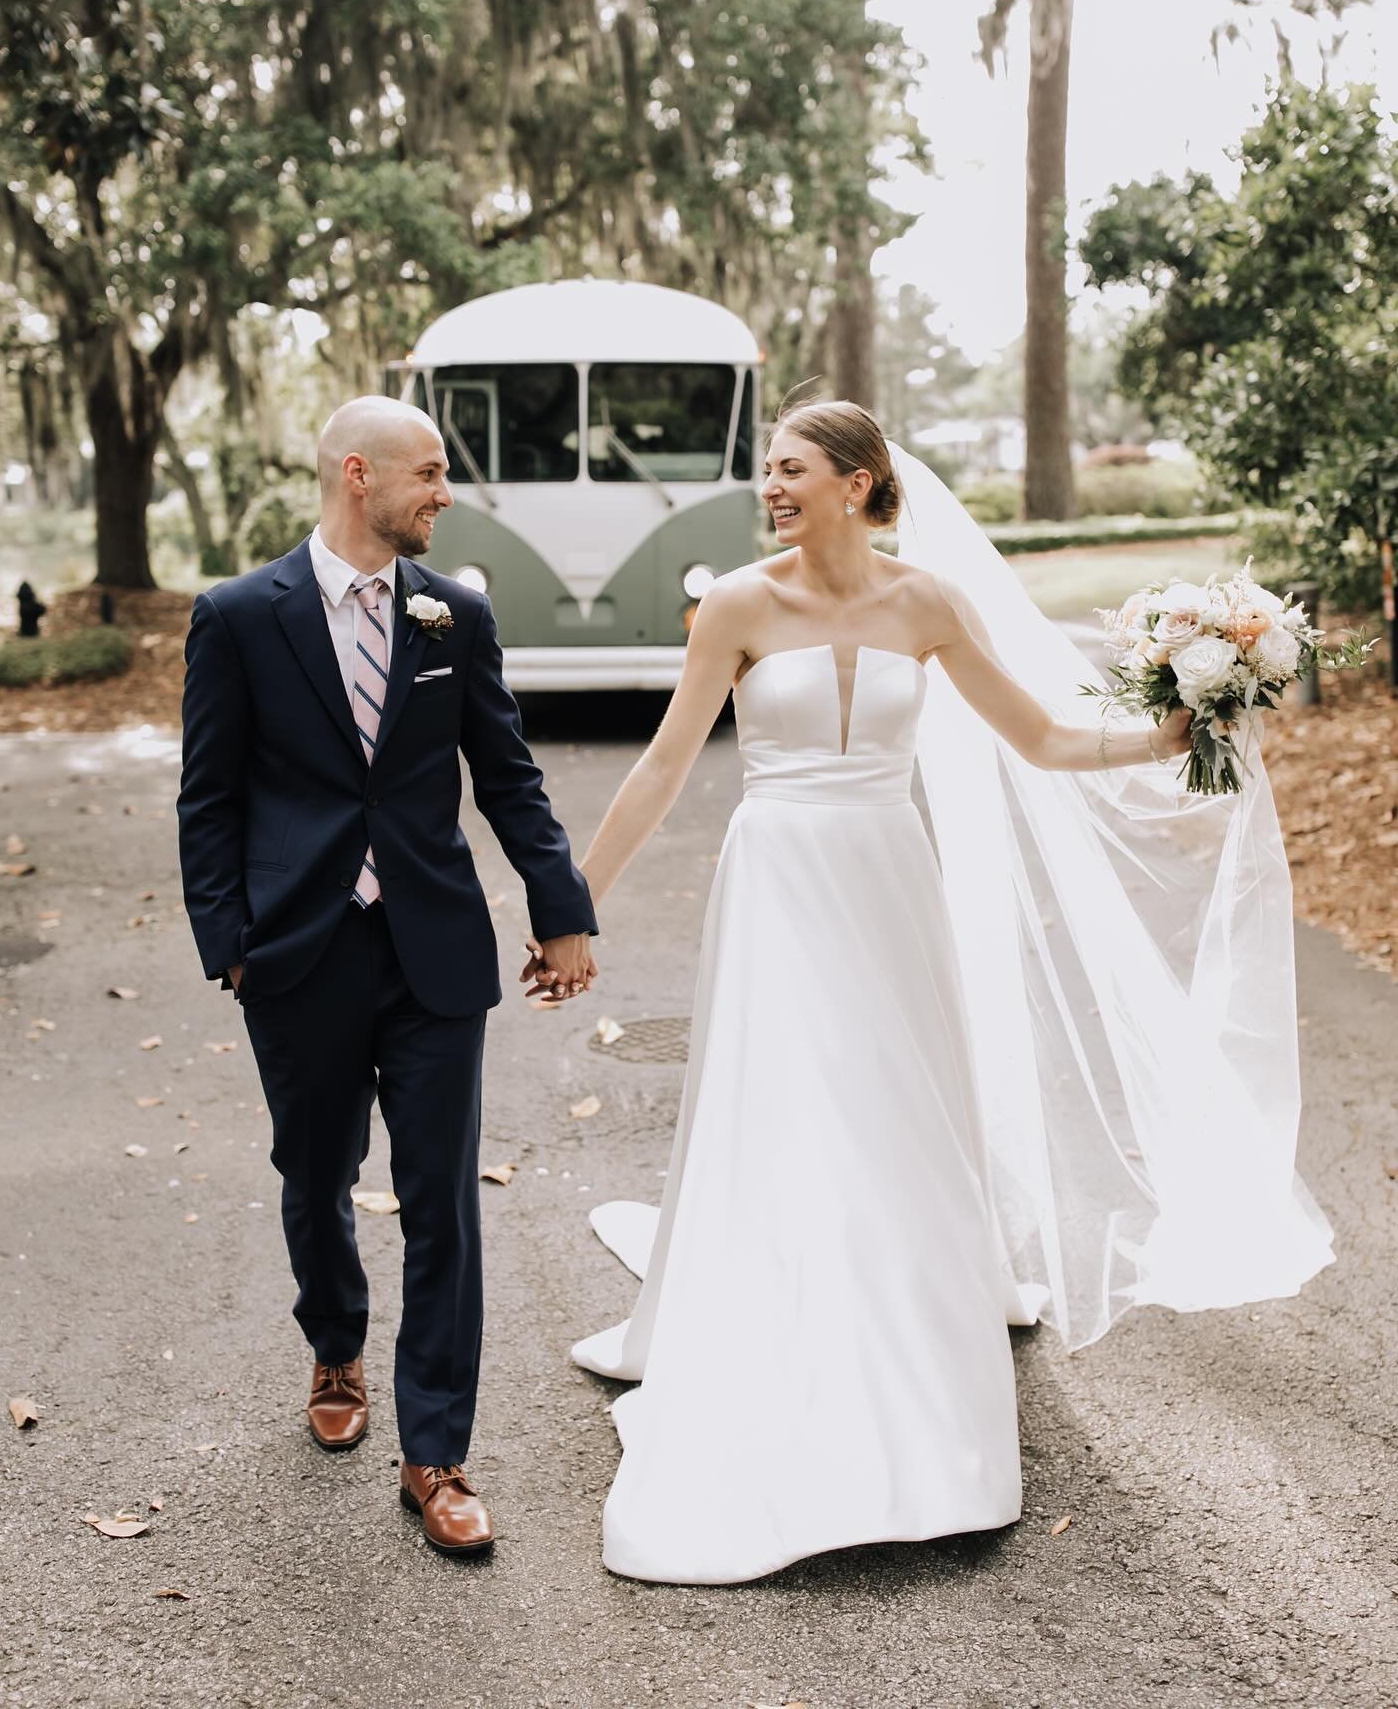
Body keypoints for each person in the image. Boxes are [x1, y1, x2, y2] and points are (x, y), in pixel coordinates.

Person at [569, 399, 1332, 1585]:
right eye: (767, 470)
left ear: (861, 482)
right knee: (784, 1096)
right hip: (776, 873)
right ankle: (778, 1317)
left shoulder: (926, 602)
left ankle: (909, 1338)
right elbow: (668, 761)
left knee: (896, 1100)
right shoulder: (735, 601)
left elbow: (1041, 736)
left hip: (884, 874)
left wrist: (1169, 733)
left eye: (792, 469)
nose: (770, 487)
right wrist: (576, 903)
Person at [178, 395, 596, 1557]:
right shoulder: (236, 616)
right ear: (357, 474)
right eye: (429, 471)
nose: (445, 492)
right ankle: (335, 1340)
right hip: (295, 950)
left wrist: (560, 909)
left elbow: (507, 776)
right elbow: (207, 798)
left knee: (441, 1202)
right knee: (314, 1175)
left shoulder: (454, 613)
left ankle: (439, 1453)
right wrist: (231, 942)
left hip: (433, 951)